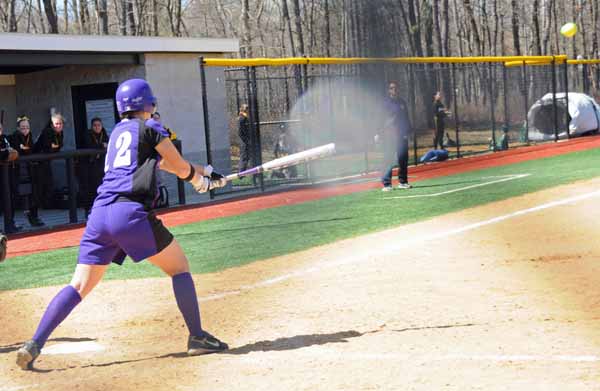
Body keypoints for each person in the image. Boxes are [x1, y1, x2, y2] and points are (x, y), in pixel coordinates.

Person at [16, 78, 229, 371]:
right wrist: (197, 181)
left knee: (78, 284)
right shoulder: (151, 127)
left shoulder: (117, 132)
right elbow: (176, 165)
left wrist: (203, 171)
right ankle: (197, 337)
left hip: (99, 214)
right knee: (179, 267)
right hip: (129, 213)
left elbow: (160, 163)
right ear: (148, 104)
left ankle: (34, 343)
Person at [376, 81, 412, 191]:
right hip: (389, 136)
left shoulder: (402, 103)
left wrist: (408, 132)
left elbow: (406, 118)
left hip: (402, 135)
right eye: (392, 88)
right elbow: (380, 119)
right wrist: (378, 133)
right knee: (388, 159)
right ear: (389, 90)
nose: (394, 90)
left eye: (396, 88)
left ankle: (403, 182)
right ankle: (387, 184)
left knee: (403, 159)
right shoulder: (385, 103)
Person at [10, 117, 45, 228]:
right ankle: (11, 223)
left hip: (29, 171)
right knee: (14, 198)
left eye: (27, 127)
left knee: (32, 195)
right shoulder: (14, 137)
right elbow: (19, 151)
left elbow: (31, 150)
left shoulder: (29, 137)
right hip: (16, 172)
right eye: (23, 127)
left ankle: (33, 218)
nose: (25, 129)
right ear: (18, 128)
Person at [35, 112, 65, 208]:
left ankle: (46, 205)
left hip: (46, 161)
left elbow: (59, 147)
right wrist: (54, 147)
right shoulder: (47, 131)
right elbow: (48, 148)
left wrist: (54, 146)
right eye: (56, 124)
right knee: (40, 185)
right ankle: (37, 207)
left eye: (60, 124)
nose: (58, 126)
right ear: (52, 125)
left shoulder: (60, 133)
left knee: (49, 183)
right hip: (36, 162)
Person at [80, 117, 108, 217]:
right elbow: (89, 145)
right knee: (89, 188)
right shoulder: (87, 134)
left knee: (100, 186)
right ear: (91, 127)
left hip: (100, 165)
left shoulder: (104, 134)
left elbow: (107, 144)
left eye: (99, 125)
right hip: (88, 165)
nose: (97, 127)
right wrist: (101, 145)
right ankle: (88, 209)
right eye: (95, 125)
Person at [0, 122, 20, 233]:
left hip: (7, 175)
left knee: (12, 197)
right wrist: (5, 153)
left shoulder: (5, 138)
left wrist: (8, 153)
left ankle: (10, 223)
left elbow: (14, 152)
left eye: (0, 127)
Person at [237, 103, 252, 173]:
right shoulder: (242, 118)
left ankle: (243, 172)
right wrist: (246, 140)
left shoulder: (245, 118)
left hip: (247, 140)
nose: (248, 110)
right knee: (244, 156)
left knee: (247, 156)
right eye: (247, 109)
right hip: (244, 141)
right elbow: (240, 132)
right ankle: (241, 173)